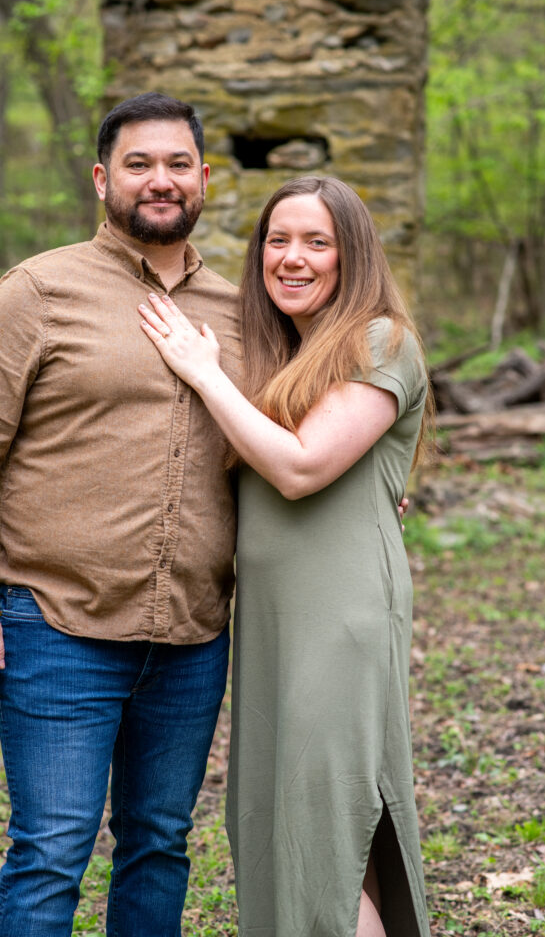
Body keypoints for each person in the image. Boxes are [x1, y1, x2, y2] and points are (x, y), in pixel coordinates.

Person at [0, 93, 244, 937]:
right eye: (138, 164)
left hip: (192, 636)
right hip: (54, 627)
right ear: (103, 179)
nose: (160, 180)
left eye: (177, 163)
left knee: (159, 843)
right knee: (51, 849)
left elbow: (294, 433)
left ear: (205, 178)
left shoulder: (245, 310)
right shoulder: (37, 292)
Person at [138, 175, 433, 937]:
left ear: (352, 255)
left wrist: (201, 373)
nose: (291, 258)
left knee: (322, 846)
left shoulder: (379, 339)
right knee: (307, 831)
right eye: (277, 240)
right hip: (275, 622)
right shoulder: (286, 353)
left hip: (339, 620)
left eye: (316, 242)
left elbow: (300, 468)